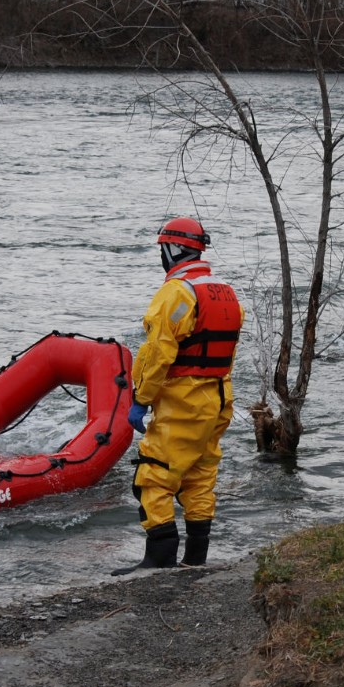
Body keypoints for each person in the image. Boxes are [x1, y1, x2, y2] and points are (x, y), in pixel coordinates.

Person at [115, 217, 244, 574]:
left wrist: (142, 399)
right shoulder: (226, 291)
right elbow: (228, 350)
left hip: (184, 400)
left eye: (163, 249)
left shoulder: (176, 292)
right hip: (219, 396)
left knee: (153, 477)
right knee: (200, 478)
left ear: (173, 249)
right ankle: (196, 558)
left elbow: (158, 353)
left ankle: (159, 560)